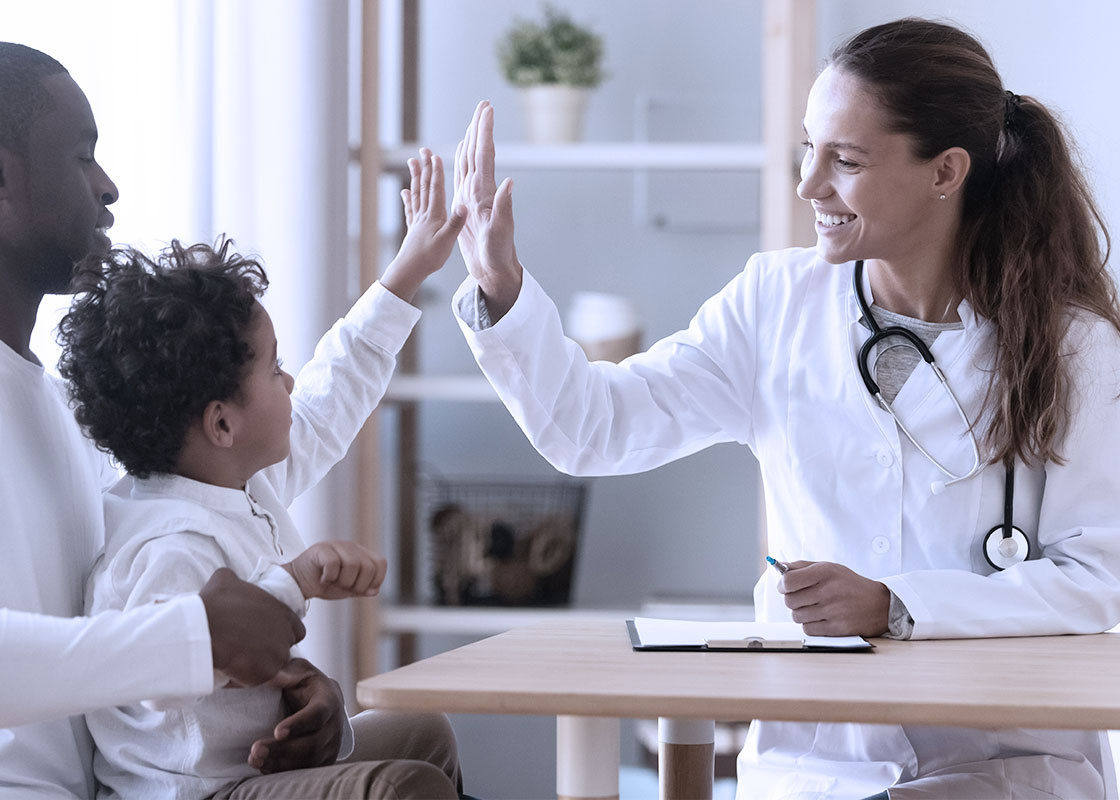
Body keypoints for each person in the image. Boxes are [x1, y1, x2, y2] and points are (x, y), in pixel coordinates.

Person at [449, 18, 1120, 800]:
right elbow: (593, 429)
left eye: (846, 159)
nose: (808, 184)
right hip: (815, 764)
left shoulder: (1074, 347)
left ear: (945, 172)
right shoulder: (775, 303)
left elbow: (1098, 574)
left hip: (999, 767)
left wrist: (898, 604)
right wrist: (501, 291)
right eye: (810, 148)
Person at [0, 39, 305, 798]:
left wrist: (287, 689)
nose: (108, 187)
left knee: (408, 749)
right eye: (83, 156)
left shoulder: (41, 395)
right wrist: (195, 637)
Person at [57, 146, 465, 799]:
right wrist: (294, 581)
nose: (291, 380)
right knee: (401, 786)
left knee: (421, 731)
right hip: (198, 794)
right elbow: (162, 668)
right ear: (222, 424)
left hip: (253, 771)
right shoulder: (162, 541)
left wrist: (411, 266)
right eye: (275, 368)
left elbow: (336, 391)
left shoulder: (238, 482)